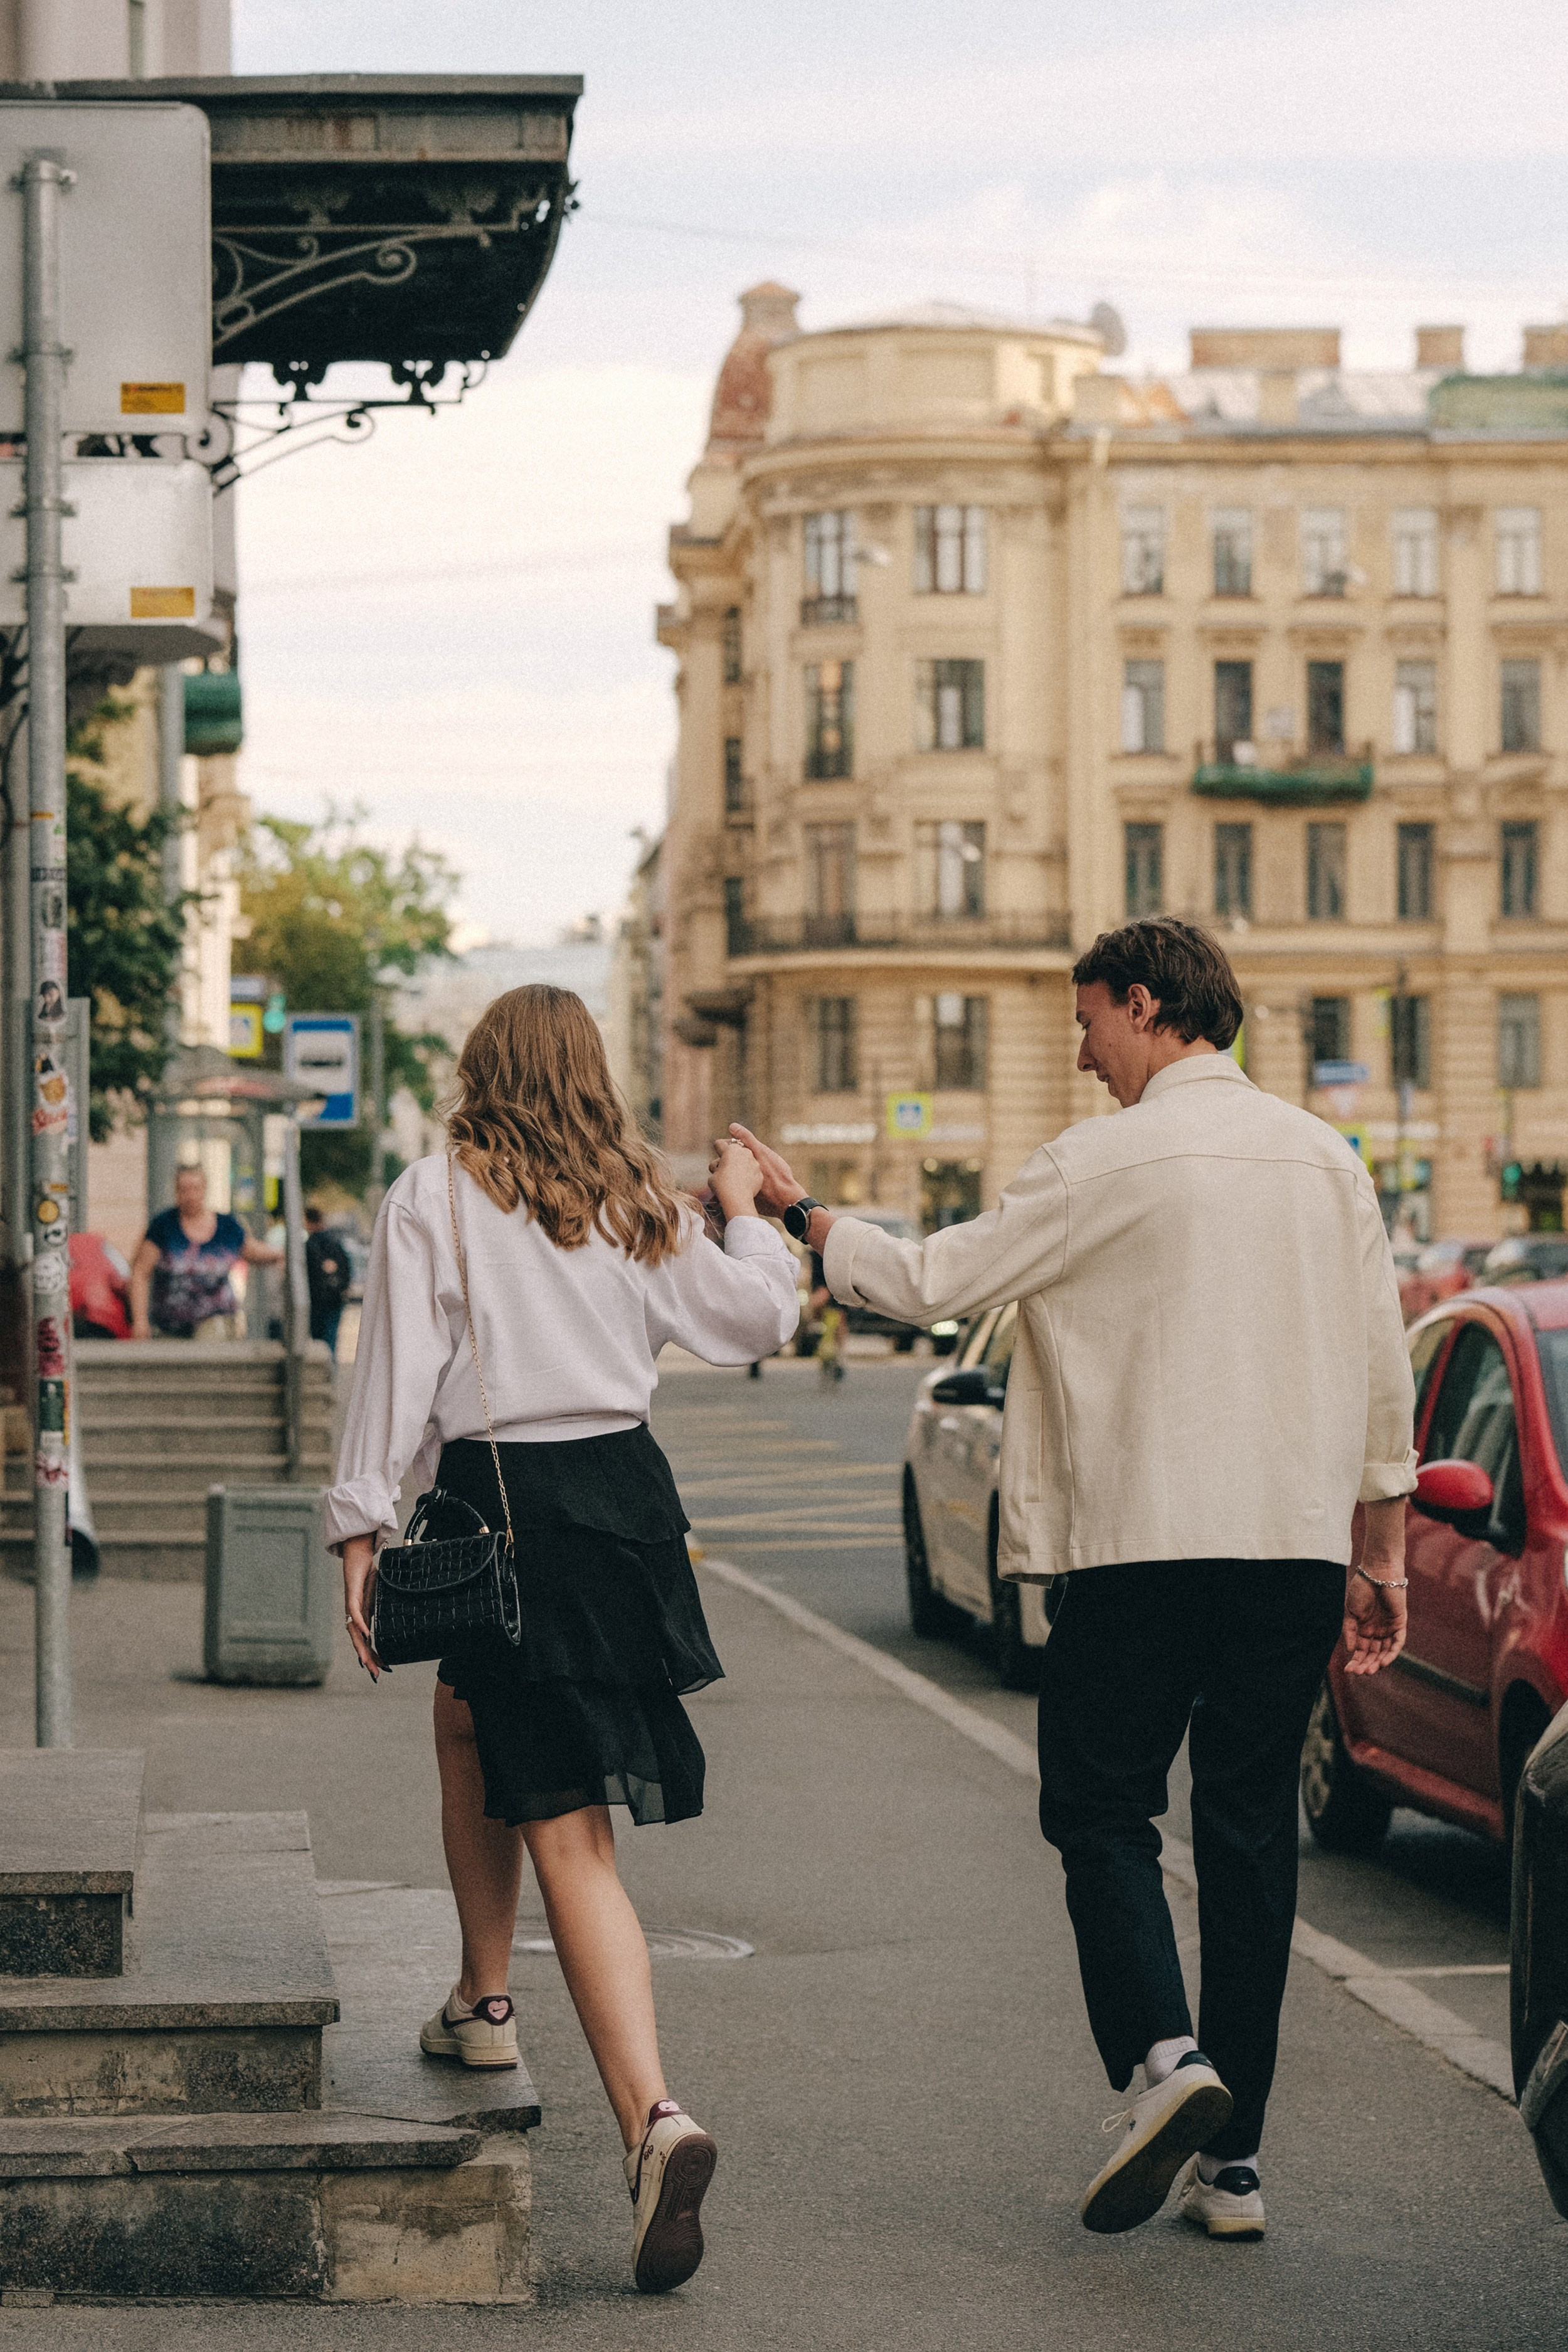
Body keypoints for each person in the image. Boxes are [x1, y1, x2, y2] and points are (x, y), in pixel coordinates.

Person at [726, 916, 1415, 2245]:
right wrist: (1378, 1554)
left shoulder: (1100, 1160)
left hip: (1138, 1546)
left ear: (1146, 1007)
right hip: (1286, 1552)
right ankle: (1235, 2170)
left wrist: (800, 1213)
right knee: (1247, 1836)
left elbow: (932, 1284)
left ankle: (1166, 2062)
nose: (1080, 1050)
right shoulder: (1325, 1164)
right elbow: (1381, 1372)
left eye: (1088, 1019)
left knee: (1097, 1810)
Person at [324, 985, 797, 2295]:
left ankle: (654, 2120)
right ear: (589, 1073)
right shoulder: (637, 1199)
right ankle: (483, 1999)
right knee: (468, 1713)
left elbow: (395, 1373)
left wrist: (361, 1528)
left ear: (481, 1072)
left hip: (506, 1512)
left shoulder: (437, 1195)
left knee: (569, 1828)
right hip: (627, 1510)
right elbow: (758, 1321)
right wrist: (750, 1222)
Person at [130, 1162, 283, 1342]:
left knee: (209, 1344)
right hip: (169, 1324)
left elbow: (252, 1250)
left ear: (205, 1189)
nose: (191, 1195)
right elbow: (140, 1273)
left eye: (195, 1188)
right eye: (184, 1189)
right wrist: (140, 1321)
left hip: (215, 1319)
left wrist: (279, 1255)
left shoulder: (227, 1227)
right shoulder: (163, 1226)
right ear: (176, 1192)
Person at [303, 1205, 353, 1359]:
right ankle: (330, 1370)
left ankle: (323, 1368)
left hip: (315, 1300)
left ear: (309, 1222)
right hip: (335, 1299)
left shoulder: (308, 1246)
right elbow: (347, 1268)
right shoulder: (336, 1244)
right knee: (331, 1338)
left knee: (318, 1340)